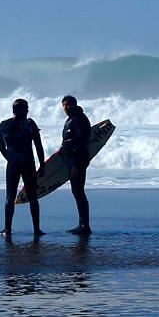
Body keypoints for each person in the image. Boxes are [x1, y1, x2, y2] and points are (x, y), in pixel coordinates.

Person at [0, 98, 45, 237]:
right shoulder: (29, 124)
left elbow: (1, 148)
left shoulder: (3, 125)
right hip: (28, 164)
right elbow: (38, 145)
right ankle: (37, 230)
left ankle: (7, 229)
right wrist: (42, 164)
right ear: (22, 110)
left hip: (12, 164)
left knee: (10, 197)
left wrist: (12, 159)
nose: (28, 111)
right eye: (27, 108)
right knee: (33, 197)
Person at [60, 95, 92, 235]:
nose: (66, 108)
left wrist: (76, 165)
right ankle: (82, 224)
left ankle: (85, 226)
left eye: (68, 105)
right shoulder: (71, 119)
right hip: (72, 160)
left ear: (74, 104)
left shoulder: (80, 119)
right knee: (77, 191)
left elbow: (81, 142)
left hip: (77, 160)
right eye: (64, 105)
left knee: (78, 191)